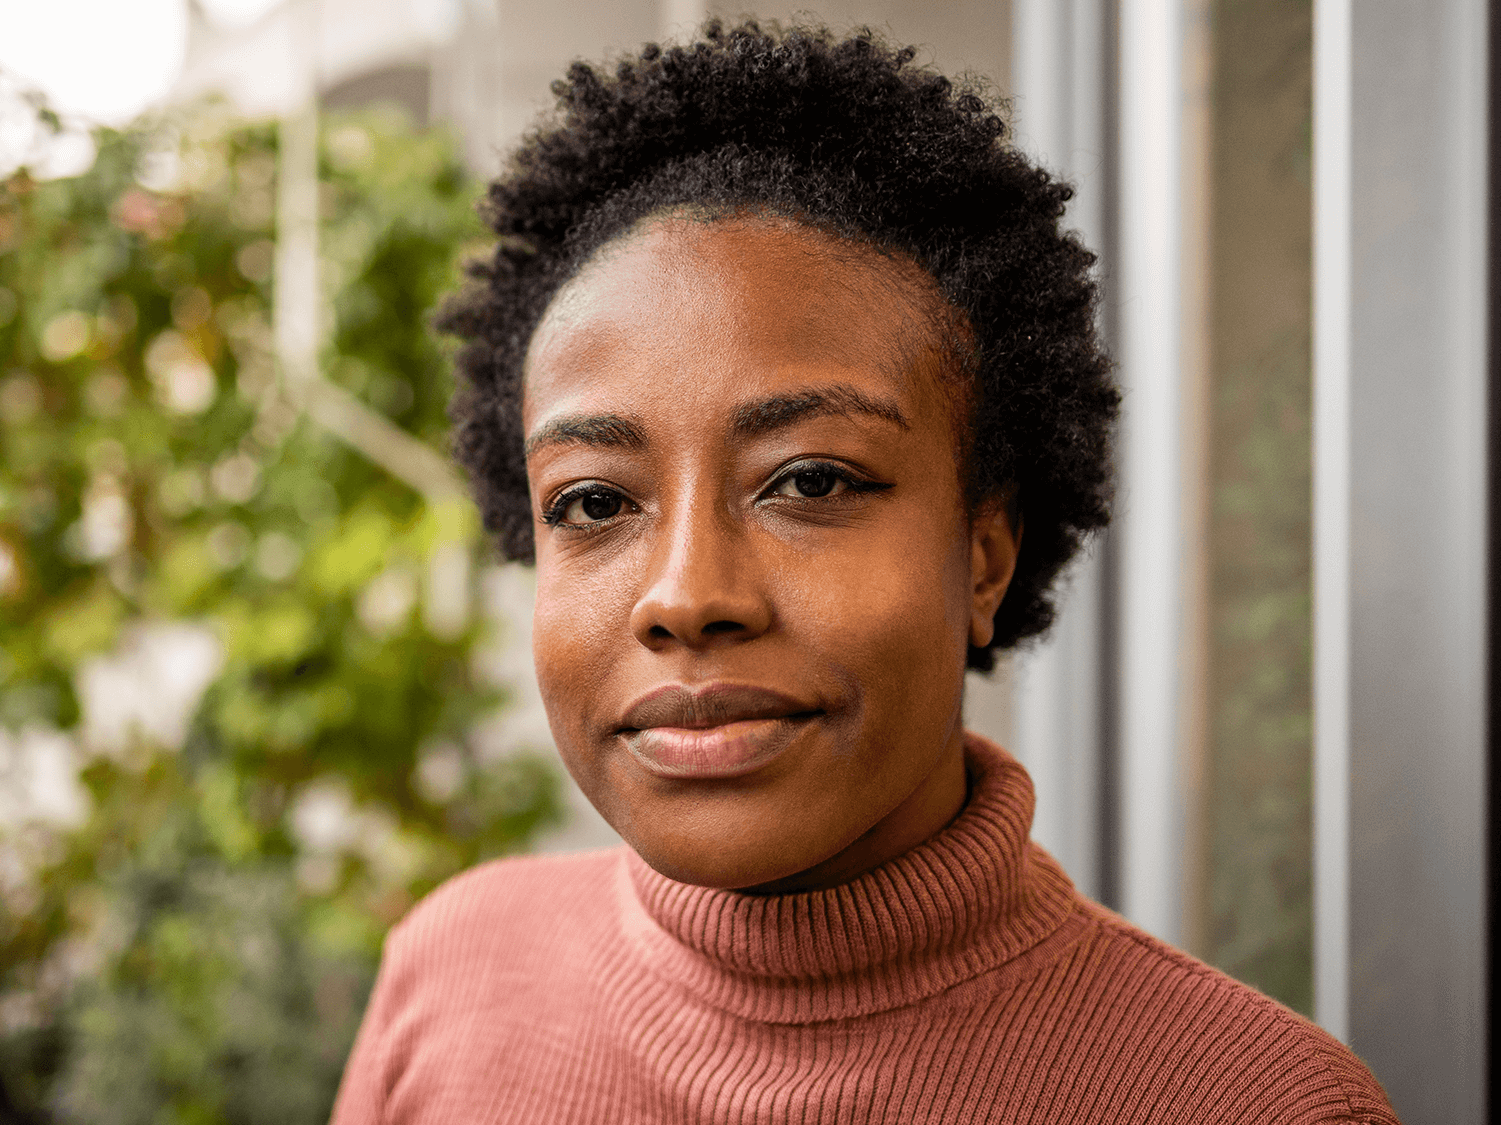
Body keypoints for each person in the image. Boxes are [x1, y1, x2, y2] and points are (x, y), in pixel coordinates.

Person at [330, 20, 1397, 1124]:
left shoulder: (1253, 1105)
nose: (687, 595)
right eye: (595, 501)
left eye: (811, 483)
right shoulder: (449, 984)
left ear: (983, 557)